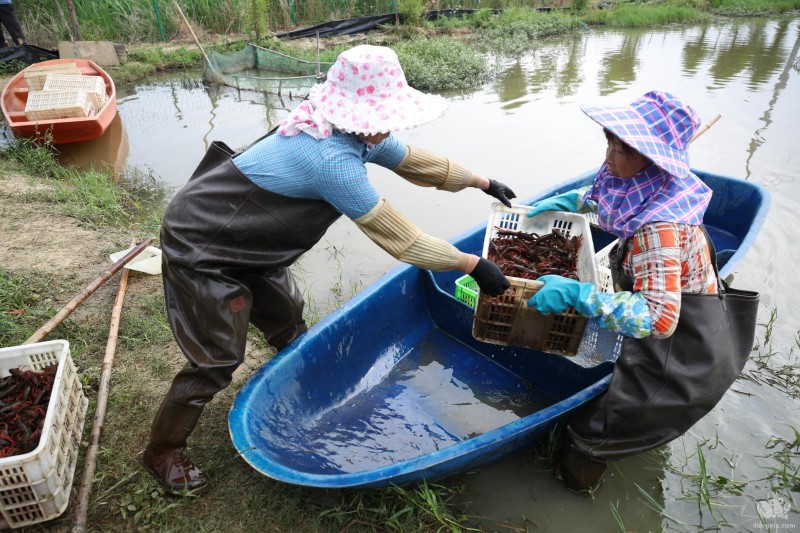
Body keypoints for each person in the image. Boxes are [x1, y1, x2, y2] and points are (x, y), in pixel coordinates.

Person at [143, 44, 515, 494]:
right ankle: (162, 451)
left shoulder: (354, 131)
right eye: (383, 116)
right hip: (203, 244)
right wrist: (473, 265)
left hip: (252, 240)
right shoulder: (330, 159)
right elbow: (404, 241)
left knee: (287, 317)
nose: (388, 127)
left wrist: (482, 181)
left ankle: (294, 395)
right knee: (218, 356)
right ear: (354, 112)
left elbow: (417, 162)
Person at [526, 90, 747, 492]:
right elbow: (611, 199)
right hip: (681, 309)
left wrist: (577, 296)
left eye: (624, 147)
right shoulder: (637, 178)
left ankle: (575, 492)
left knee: (592, 435)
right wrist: (575, 202)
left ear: (655, 159)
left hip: (686, 349)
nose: (610, 155)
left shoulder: (659, 229)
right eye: (609, 139)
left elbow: (657, 319)